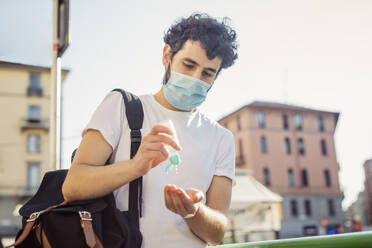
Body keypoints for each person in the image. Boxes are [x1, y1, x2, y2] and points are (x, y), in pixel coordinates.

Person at [62, 13, 238, 247]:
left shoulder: (221, 138)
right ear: (167, 56)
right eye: (188, 65)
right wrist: (136, 166)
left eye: (207, 73)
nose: (196, 79)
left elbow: (216, 233)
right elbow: (72, 186)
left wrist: (194, 212)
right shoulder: (121, 107)